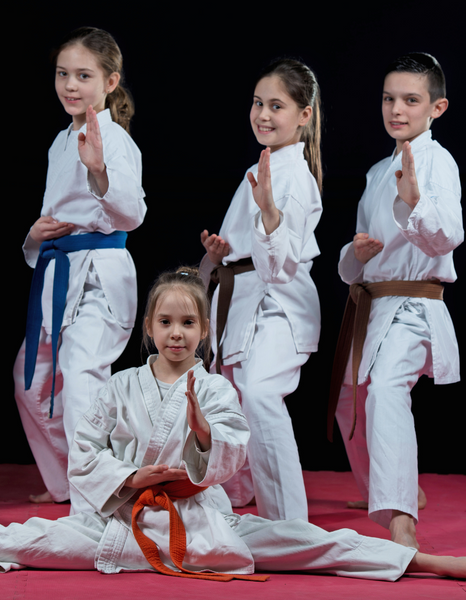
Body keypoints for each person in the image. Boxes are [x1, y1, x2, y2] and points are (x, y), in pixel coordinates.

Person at [0, 267, 466, 584]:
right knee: (21, 538)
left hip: (202, 521)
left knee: (309, 543)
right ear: (149, 328)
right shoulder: (121, 385)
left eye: (189, 323)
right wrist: (133, 476)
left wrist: (206, 439)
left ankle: (432, 565)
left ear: (203, 332)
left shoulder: (212, 388)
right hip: (121, 521)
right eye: (167, 321)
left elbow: (234, 453)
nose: (178, 333)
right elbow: (84, 453)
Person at [328, 53, 463, 549]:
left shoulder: (437, 161)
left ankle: (402, 517)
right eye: (389, 99)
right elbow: (356, 259)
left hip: (413, 303)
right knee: (350, 404)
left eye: (411, 100)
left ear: (437, 107)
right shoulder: (375, 171)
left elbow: (449, 235)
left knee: (385, 390)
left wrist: (412, 202)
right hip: (373, 303)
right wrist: (355, 253)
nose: (397, 109)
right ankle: (382, 489)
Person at [12, 27, 146, 509]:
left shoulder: (113, 140)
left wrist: (99, 170)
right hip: (59, 270)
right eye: (63, 74)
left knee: (80, 373)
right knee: (30, 382)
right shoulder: (60, 140)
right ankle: (69, 484)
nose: (70, 85)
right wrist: (35, 235)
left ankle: (93, 504)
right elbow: (55, 220)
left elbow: (131, 214)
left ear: (110, 82)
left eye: (83, 76)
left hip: (99, 275)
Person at [199, 59, 322, 521]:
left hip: (279, 303)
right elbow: (245, 253)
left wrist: (269, 215)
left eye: (276, 106)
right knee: (231, 395)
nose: (263, 115)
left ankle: (290, 522)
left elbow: (279, 263)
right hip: (243, 299)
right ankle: (236, 497)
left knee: (261, 392)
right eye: (257, 103)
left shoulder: (294, 177)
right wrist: (218, 254)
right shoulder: (259, 167)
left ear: (304, 115)